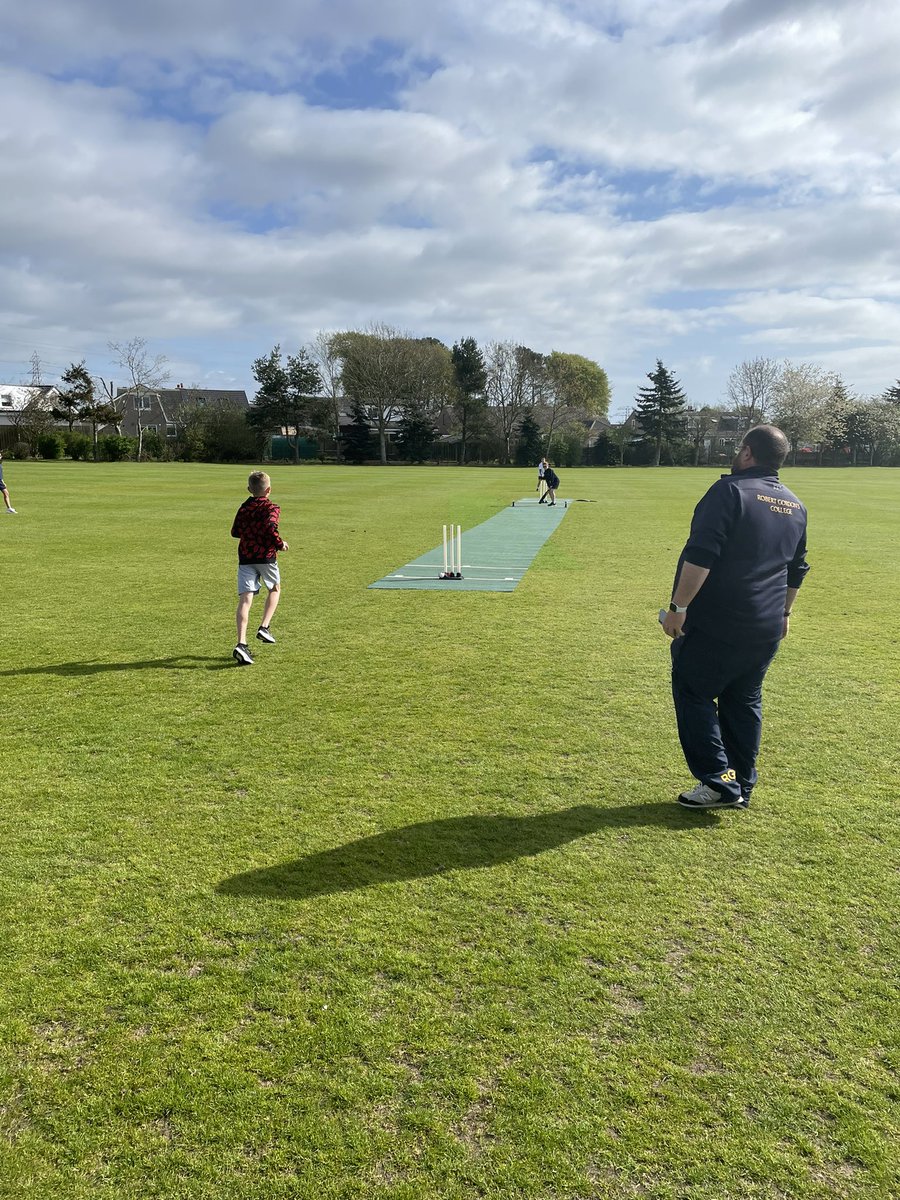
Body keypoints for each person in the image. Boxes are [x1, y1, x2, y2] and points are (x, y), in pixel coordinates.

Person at [661, 425, 809, 810]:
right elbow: (797, 568)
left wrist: (678, 608)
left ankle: (720, 782)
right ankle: (741, 784)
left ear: (746, 453)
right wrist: (786, 613)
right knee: (743, 701)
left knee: (692, 691)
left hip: (720, 622)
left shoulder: (728, 491)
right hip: (766, 626)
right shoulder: (795, 504)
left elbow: (701, 555)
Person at [230, 470, 289, 666]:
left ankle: (241, 643)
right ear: (269, 490)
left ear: (249, 489)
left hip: (246, 556)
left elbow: (235, 532)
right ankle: (264, 626)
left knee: (245, 599)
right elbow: (271, 527)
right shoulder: (271, 507)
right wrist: (280, 544)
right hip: (265, 557)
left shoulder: (244, 508)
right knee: (274, 588)